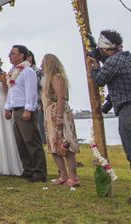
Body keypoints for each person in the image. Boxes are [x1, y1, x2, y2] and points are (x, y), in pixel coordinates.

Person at [4, 44, 47, 182]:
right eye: (9, 53)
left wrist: (29, 109)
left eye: (12, 53)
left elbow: (31, 92)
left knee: (31, 141)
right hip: (16, 109)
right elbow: (12, 92)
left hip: (25, 109)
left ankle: (39, 172)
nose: (9, 56)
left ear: (21, 55)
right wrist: (8, 107)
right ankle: (28, 169)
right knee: (21, 142)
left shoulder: (28, 71)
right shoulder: (13, 71)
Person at [89, 29, 131, 168]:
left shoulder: (113, 61)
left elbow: (99, 79)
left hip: (127, 109)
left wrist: (95, 63)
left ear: (105, 48)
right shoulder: (126, 57)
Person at [41, 54, 80, 186]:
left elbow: (61, 97)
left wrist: (58, 116)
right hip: (49, 113)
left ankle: (73, 177)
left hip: (58, 112)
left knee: (65, 145)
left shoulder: (57, 77)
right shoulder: (47, 79)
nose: (41, 66)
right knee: (54, 145)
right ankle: (63, 175)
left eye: (43, 63)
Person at [27, 51, 46, 145]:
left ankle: (43, 144)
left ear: (30, 58)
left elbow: (39, 87)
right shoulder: (18, 71)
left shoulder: (37, 71)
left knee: (39, 128)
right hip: (24, 105)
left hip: (37, 104)